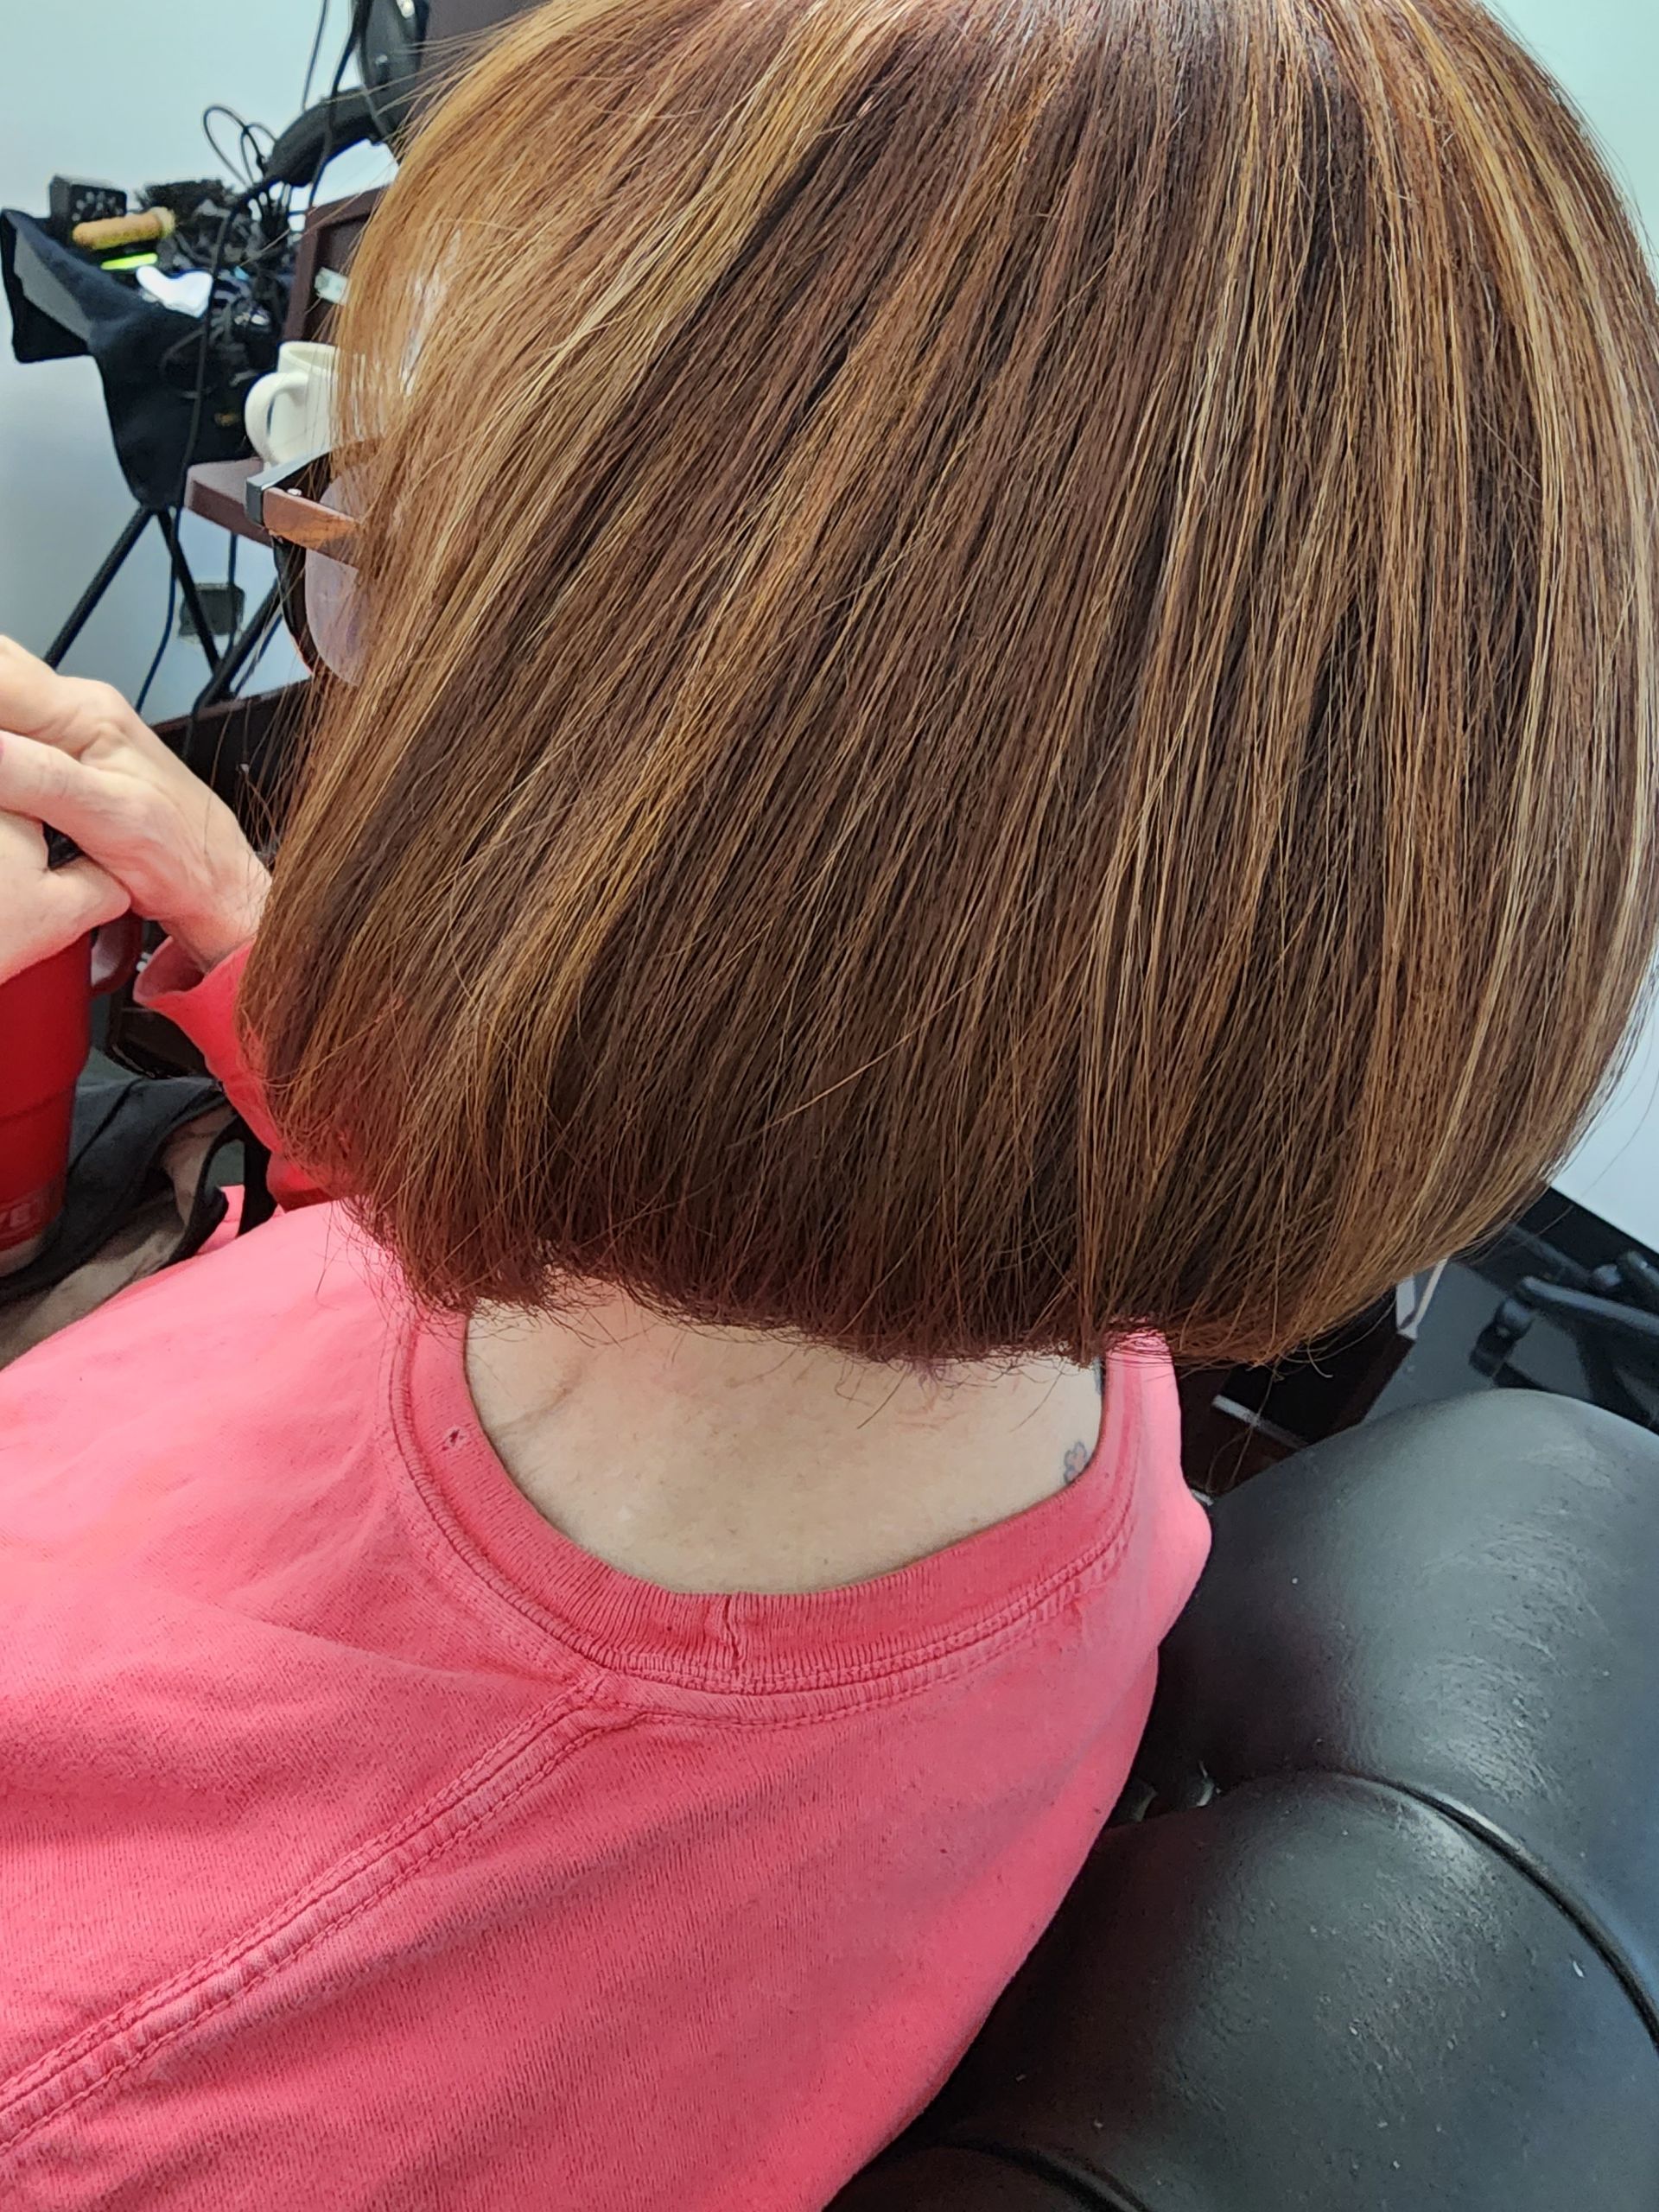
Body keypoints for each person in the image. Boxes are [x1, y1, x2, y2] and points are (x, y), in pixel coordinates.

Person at [2, 0, 1657, 2201]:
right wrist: (249, 934)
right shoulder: (1052, 1369)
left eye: (365, 506)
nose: (339, 601)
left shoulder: (116, 2045)